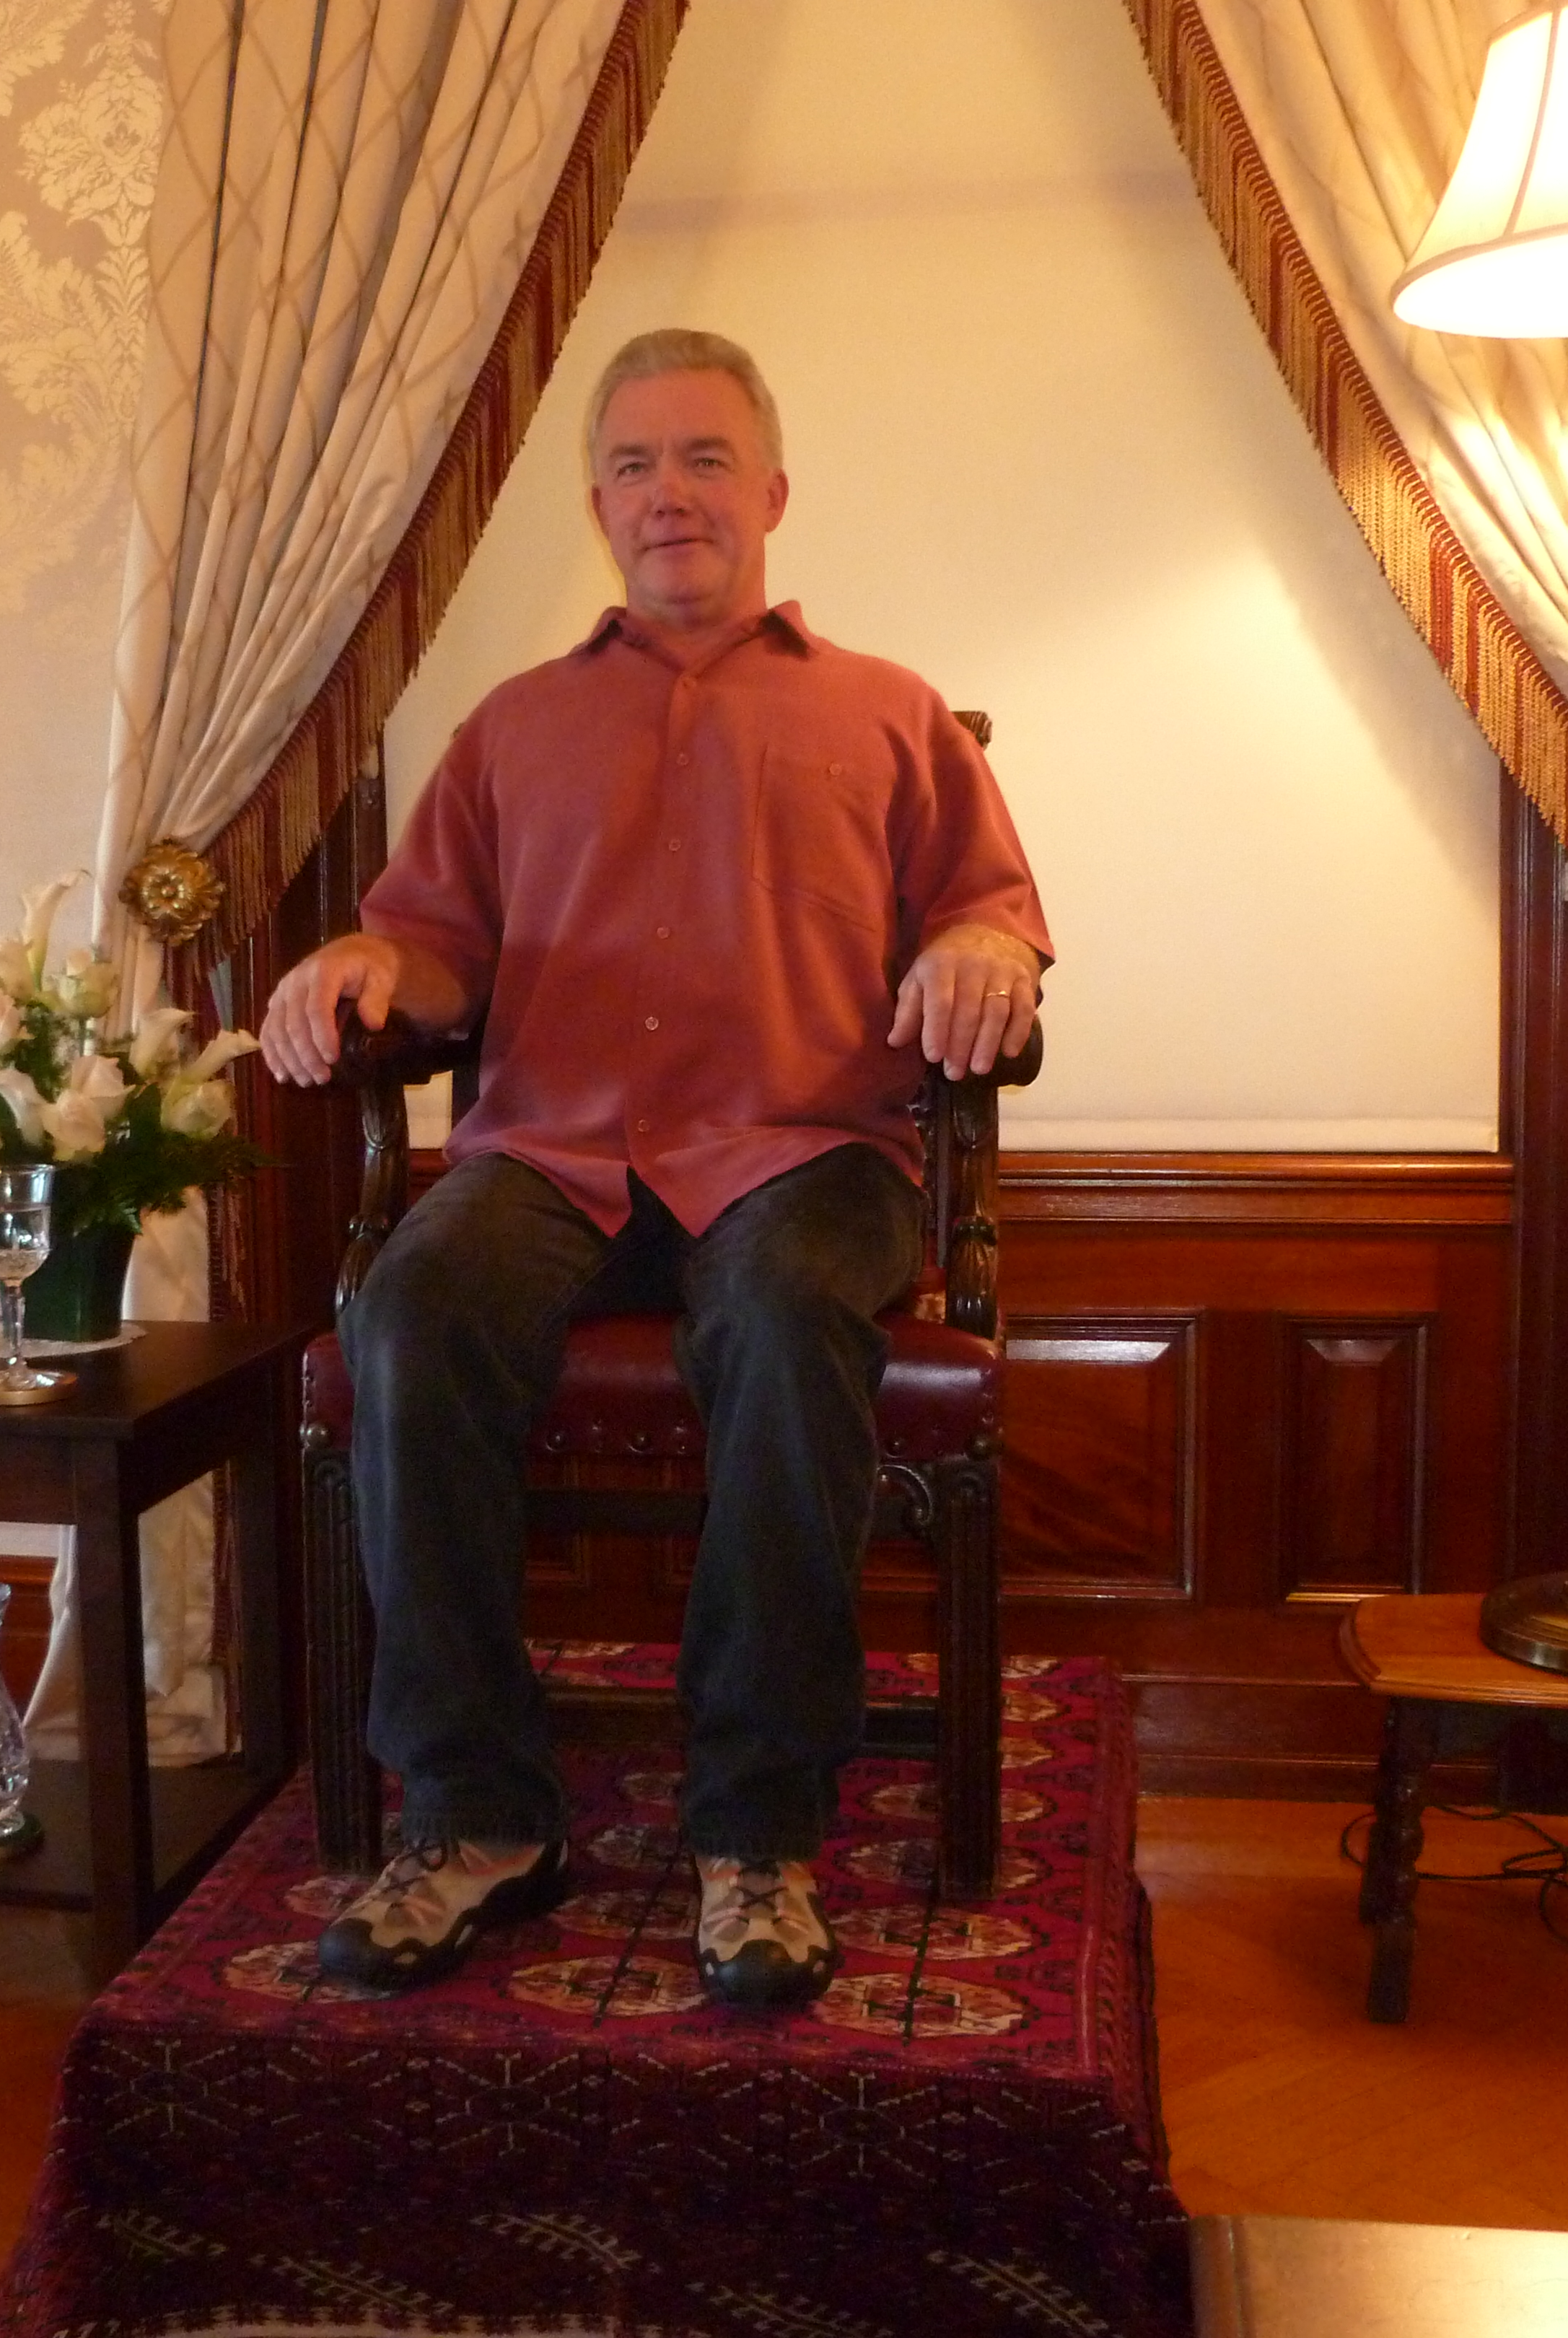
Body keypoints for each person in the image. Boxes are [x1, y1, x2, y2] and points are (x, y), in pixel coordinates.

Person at [259, 328, 1050, 2008]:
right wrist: (368, 966)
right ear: (601, 505)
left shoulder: (893, 714)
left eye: (703, 458)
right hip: (556, 1150)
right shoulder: (512, 728)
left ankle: (755, 1831)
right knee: (416, 1304)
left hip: (805, 1149)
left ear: (771, 492)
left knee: (782, 1311)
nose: (668, 492)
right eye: (633, 464)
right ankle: (478, 1815)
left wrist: (984, 948)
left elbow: (987, 909)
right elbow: (430, 947)